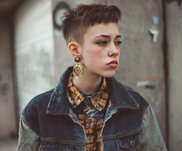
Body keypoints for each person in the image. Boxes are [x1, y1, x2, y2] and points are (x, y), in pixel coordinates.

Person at [17, 4, 166, 151]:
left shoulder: (137, 108)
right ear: (75, 50)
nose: (115, 51)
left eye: (117, 42)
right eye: (102, 42)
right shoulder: (37, 112)